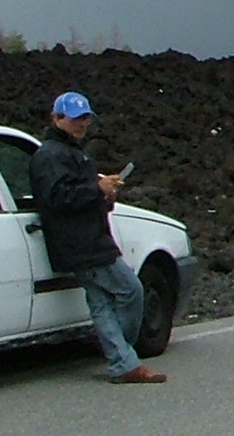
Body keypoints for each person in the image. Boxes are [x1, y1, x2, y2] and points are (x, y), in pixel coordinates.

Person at [30, 91, 166, 384]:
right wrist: (97, 189)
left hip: (87, 239)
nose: (82, 125)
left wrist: (104, 194)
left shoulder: (72, 152)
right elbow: (58, 198)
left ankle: (122, 364)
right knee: (131, 290)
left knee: (101, 302)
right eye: (76, 119)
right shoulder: (51, 155)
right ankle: (123, 354)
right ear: (57, 118)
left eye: (85, 119)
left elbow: (77, 194)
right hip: (83, 243)